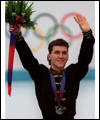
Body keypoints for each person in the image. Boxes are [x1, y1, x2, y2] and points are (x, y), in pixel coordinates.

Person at [9, 14, 95, 119]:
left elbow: (84, 59)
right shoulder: (41, 74)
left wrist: (87, 34)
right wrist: (18, 36)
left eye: (64, 53)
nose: (60, 56)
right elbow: (28, 60)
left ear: (68, 57)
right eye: (57, 52)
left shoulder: (74, 73)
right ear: (49, 56)